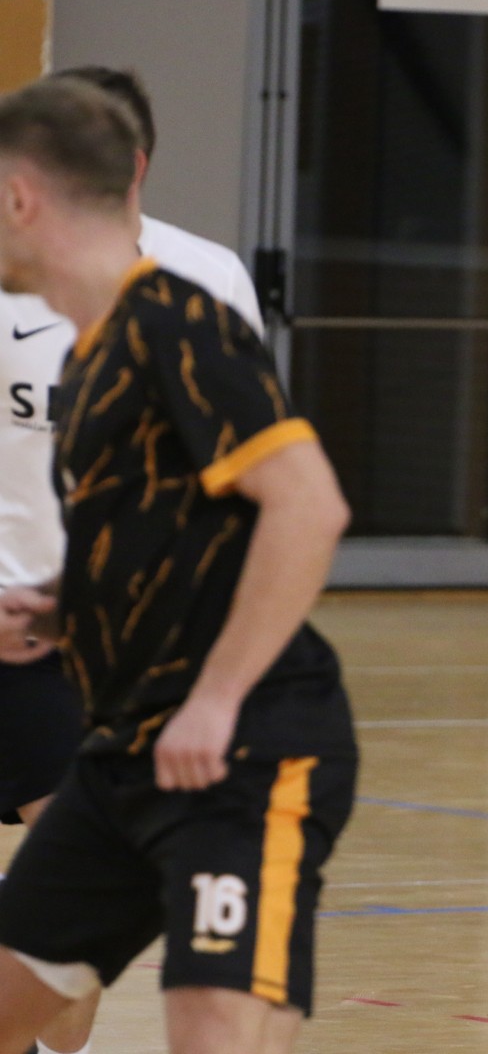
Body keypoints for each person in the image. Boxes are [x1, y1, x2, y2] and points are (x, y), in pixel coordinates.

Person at [0, 77, 355, 1054]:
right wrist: (61, 607)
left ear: (21, 199)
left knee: (213, 1029)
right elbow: (174, 531)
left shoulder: (179, 321)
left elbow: (309, 505)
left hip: (245, 747)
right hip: (126, 748)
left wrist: (217, 697)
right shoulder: (94, 353)